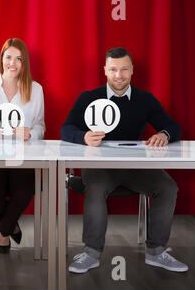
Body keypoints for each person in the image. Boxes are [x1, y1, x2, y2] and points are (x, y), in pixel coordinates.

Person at [61, 47, 188, 273]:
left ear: (132, 71)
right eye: (113, 69)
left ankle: (157, 252)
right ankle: (91, 253)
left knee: (167, 187)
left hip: (134, 166)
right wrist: (83, 137)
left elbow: (173, 127)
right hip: (98, 165)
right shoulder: (88, 98)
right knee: (96, 187)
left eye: (123, 69)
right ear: (105, 71)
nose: (118, 75)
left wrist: (164, 135)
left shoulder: (145, 99)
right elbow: (66, 129)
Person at [0, 38, 45, 254]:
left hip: (24, 155)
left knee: (24, 190)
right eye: (8, 57)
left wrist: (31, 132)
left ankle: (4, 230)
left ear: (24, 63)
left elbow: (41, 125)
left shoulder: (36, 89)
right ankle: (10, 224)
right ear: (2, 59)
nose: (13, 63)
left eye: (19, 58)